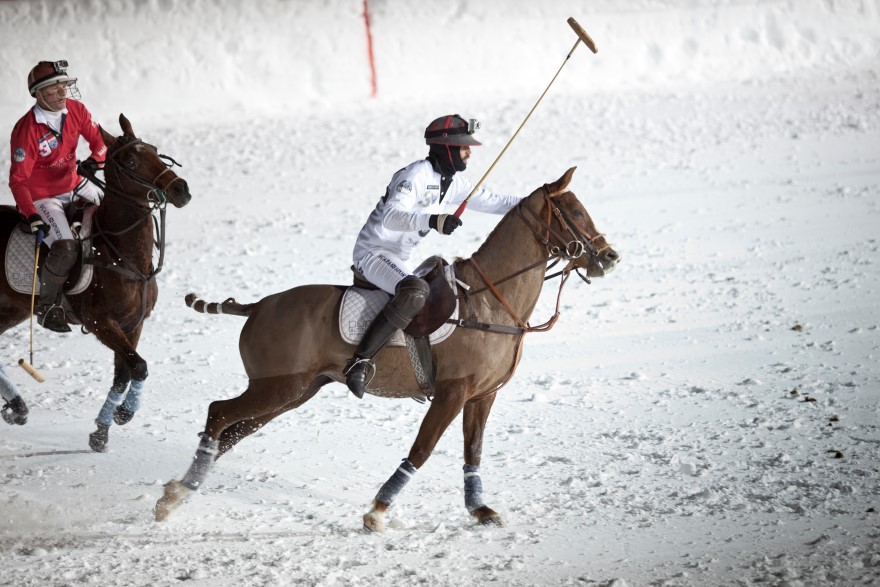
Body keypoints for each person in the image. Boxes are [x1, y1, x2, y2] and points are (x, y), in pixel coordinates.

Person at [344, 114, 522, 398]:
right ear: (446, 147)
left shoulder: (455, 183)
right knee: (415, 291)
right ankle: (360, 363)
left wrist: (538, 202)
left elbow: (494, 202)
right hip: (374, 252)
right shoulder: (415, 175)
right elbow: (391, 216)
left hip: (399, 259)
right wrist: (433, 221)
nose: (470, 151)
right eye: (464, 145)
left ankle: (415, 367)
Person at [8, 60, 106, 332]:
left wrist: (95, 162)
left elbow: (99, 143)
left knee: (116, 216)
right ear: (38, 94)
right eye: (54, 88)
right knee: (65, 247)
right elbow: (18, 180)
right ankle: (48, 306)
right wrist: (31, 213)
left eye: (64, 85)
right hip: (44, 197)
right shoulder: (26, 129)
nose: (63, 92)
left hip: (75, 183)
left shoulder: (77, 110)